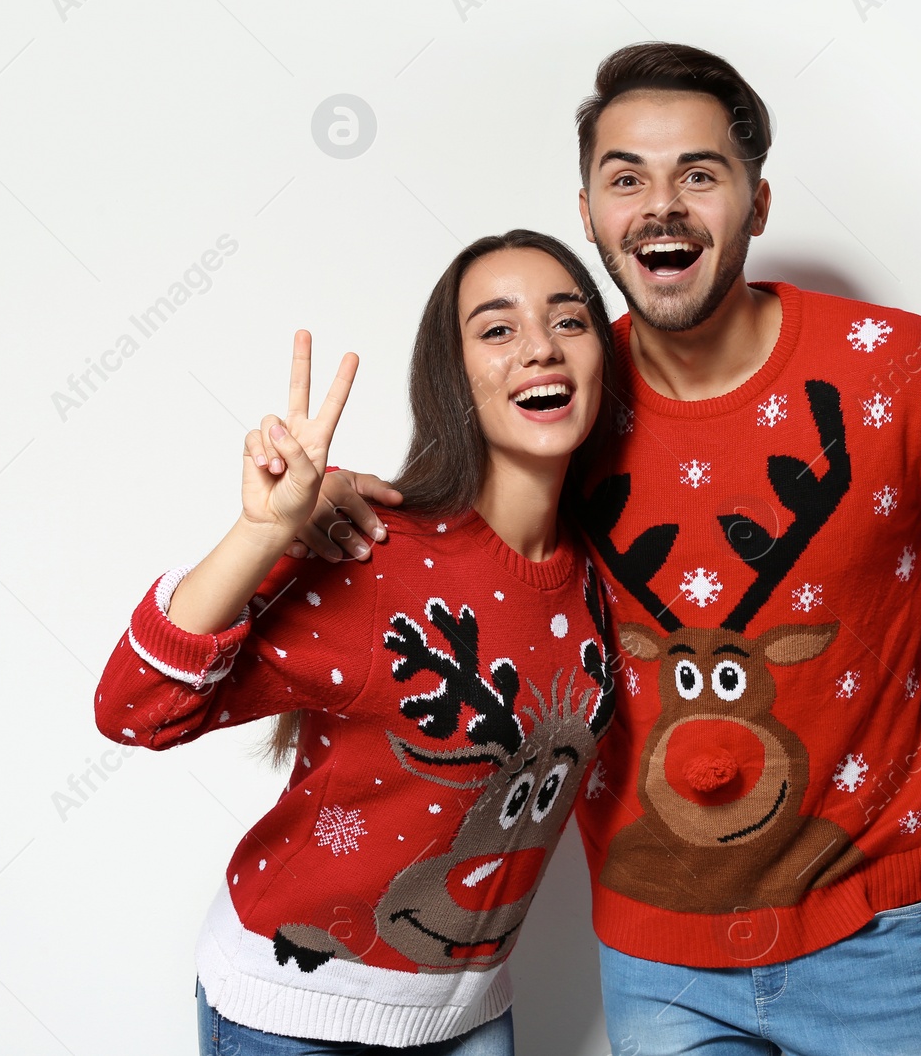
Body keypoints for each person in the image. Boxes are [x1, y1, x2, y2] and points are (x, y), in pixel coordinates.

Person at [305, 43, 921, 1056]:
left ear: (758, 202)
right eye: (626, 179)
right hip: (656, 956)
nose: (661, 205)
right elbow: (468, 535)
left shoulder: (898, 369)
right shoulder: (558, 390)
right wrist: (334, 506)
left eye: (698, 174)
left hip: (871, 935)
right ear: (589, 214)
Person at [94, 230, 622, 1054]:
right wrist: (260, 534)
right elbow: (135, 709)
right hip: (293, 1010)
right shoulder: (373, 551)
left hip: (470, 1013)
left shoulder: (605, 577)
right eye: (497, 329)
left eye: (570, 321)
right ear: (453, 377)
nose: (541, 348)